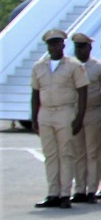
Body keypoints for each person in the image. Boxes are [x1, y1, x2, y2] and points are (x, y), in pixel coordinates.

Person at [30, 29, 88, 209]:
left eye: (57, 43)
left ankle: (65, 194)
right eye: (51, 44)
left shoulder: (73, 65)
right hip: (46, 112)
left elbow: (82, 91)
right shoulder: (39, 66)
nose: (54, 47)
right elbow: (35, 93)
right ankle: (52, 193)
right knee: (50, 154)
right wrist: (33, 118)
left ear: (63, 44)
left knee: (66, 153)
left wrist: (79, 117)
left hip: (65, 110)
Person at [68, 32, 101, 204]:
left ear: (90, 48)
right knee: (78, 153)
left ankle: (92, 189)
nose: (79, 50)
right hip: (74, 112)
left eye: (83, 46)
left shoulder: (98, 67)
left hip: (93, 111)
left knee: (93, 152)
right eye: (77, 46)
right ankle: (79, 189)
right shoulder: (69, 66)